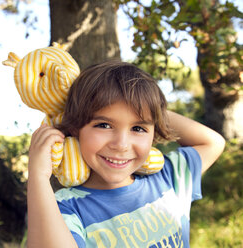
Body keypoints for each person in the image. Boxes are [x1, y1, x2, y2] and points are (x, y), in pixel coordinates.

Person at [26, 60, 225, 248]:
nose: (121, 145)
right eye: (103, 125)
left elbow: (213, 142)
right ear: (76, 128)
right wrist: (38, 176)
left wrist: (151, 107)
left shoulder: (168, 178)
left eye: (138, 128)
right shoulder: (65, 209)